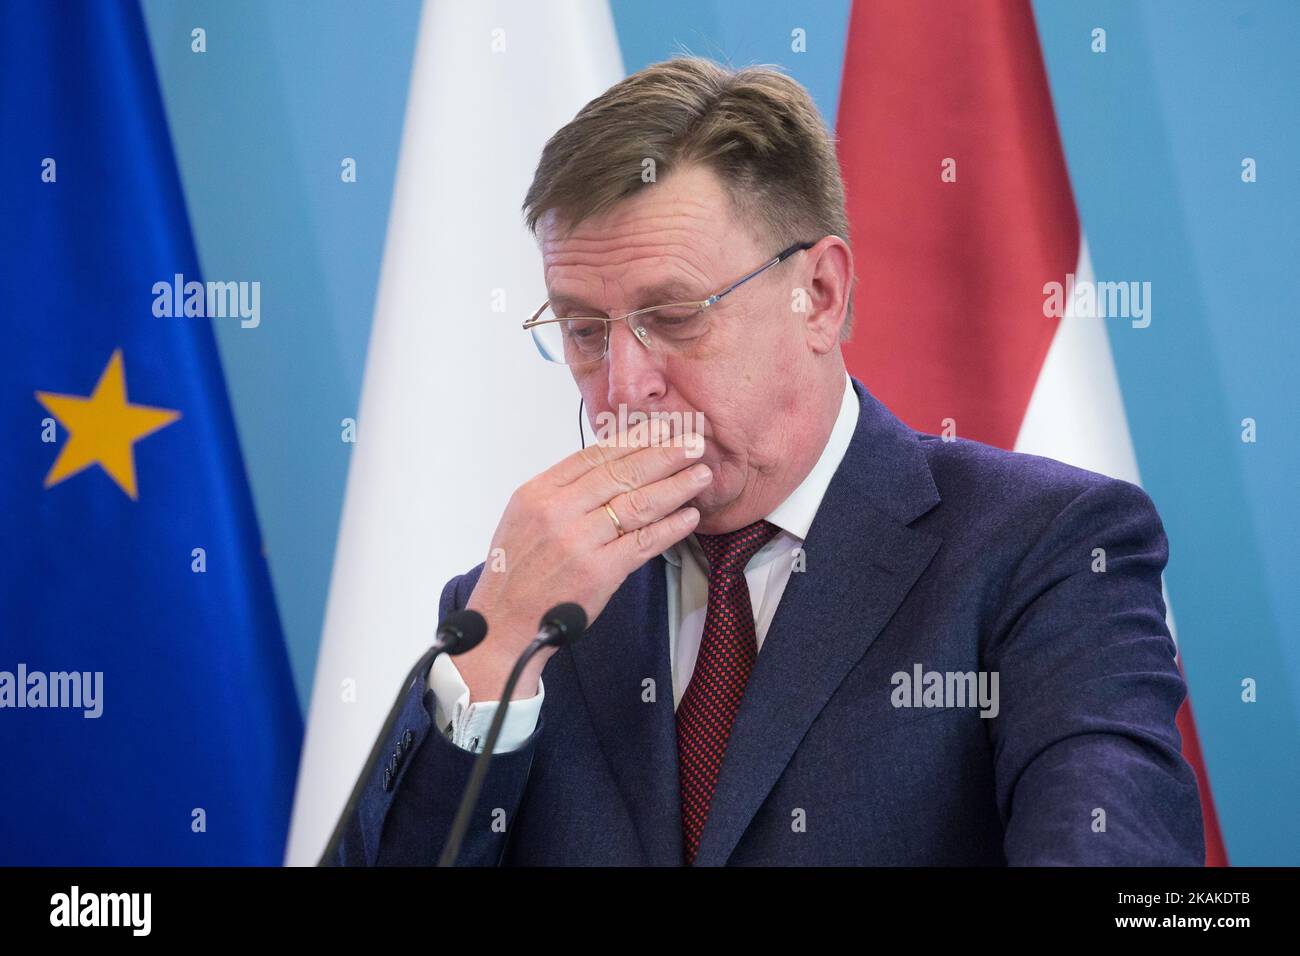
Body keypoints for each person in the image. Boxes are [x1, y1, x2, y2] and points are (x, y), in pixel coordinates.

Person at [329, 57, 1204, 866]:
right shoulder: (517, 611)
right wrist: (496, 652)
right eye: (585, 332)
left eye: (673, 316)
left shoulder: (1045, 552)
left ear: (819, 295)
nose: (625, 386)